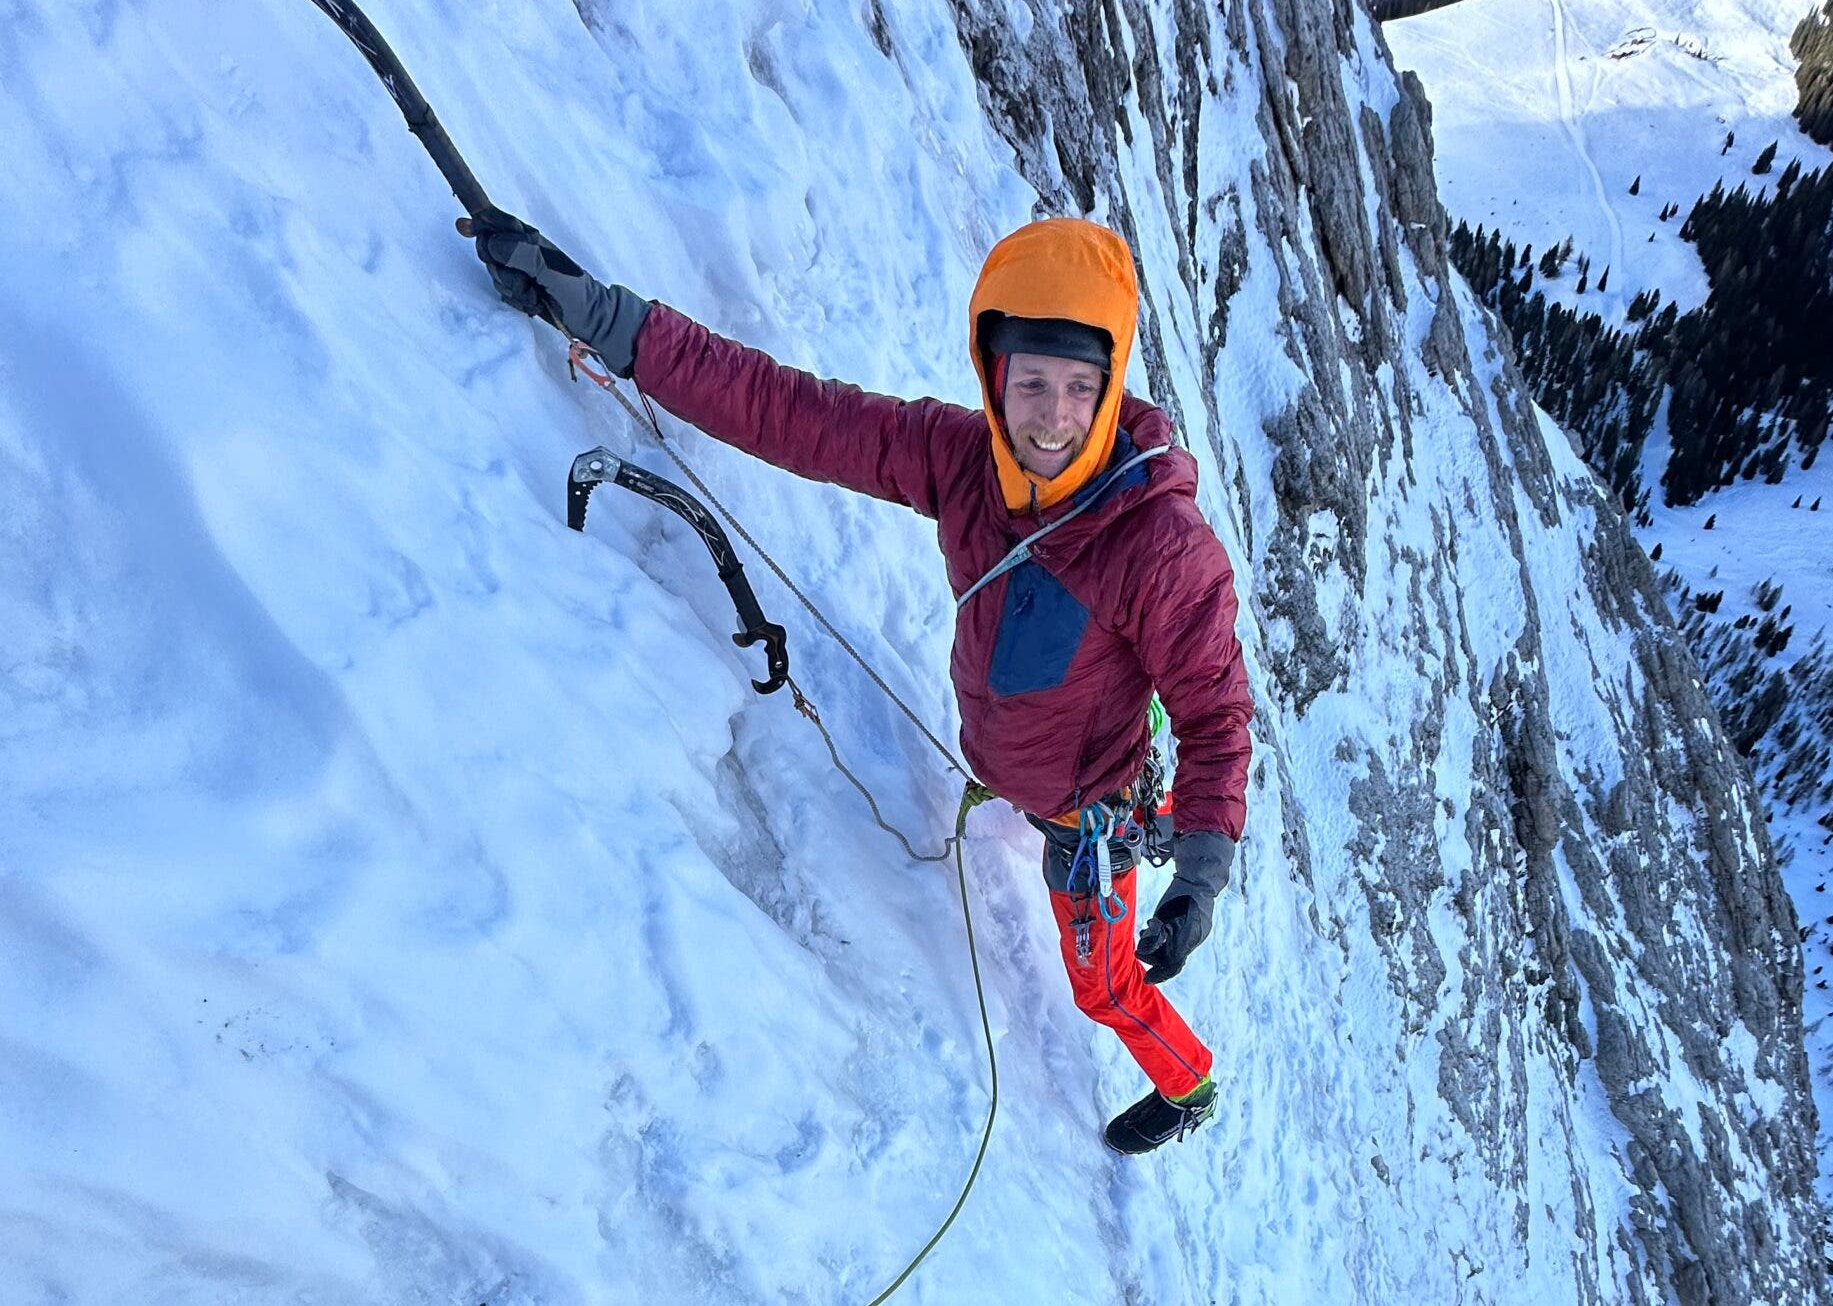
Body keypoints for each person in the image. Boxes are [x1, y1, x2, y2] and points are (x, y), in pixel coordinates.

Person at [466, 211, 1254, 1157]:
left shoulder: (1162, 549)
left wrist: (1198, 884)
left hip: (1090, 818)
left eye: (1080, 388)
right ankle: (1039, 807)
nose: (1052, 415)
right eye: (1031, 382)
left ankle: (1188, 1081)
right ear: (993, 374)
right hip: (1038, 768)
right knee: (1036, 783)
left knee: (1101, 985)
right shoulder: (963, 461)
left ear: (1112, 383)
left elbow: (1215, 713)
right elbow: (790, 411)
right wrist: (607, 320)